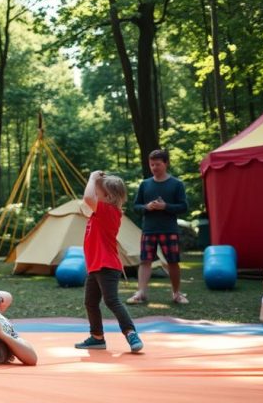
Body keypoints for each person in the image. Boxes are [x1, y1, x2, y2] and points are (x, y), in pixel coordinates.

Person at [75, 171, 144, 353]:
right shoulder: (100, 213)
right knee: (90, 302)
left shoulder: (109, 211)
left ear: (109, 197)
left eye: (98, 194)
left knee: (112, 300)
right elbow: (88, 201)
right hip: (96, 266)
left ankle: (131, 333)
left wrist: (92, 177)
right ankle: (97, 337)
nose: (94, 197)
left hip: (107, 265)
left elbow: (88, 198)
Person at [127, 149, 190, 305]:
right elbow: (135, 207)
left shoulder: (176, 184)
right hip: (149, 229)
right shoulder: (145, 184)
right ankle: (141, 293)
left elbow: (184, 207)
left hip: (169, 230)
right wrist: (146, 207)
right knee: (145, 261)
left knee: (173, 261)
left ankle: (176, 293)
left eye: (158, 164)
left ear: (166, 164)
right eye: (152, 164)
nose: (154, 167)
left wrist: (165, 206)